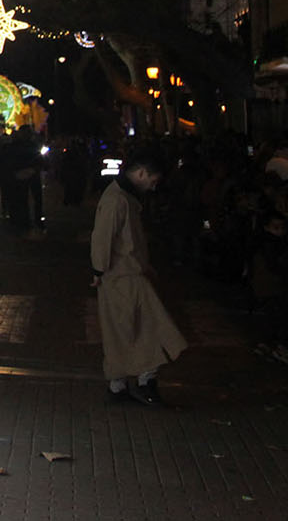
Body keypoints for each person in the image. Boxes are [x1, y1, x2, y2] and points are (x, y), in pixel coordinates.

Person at [92, 148, 187, 405]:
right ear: (142, 173)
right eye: (153, 181)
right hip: (123, 275)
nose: (153, 187)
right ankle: (141, 381)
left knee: (129, 330)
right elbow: (105, 237)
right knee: (146, 328)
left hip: (124, 274)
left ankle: (122, 384)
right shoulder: (118, 199)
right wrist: (99, 269)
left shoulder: (120, 196)